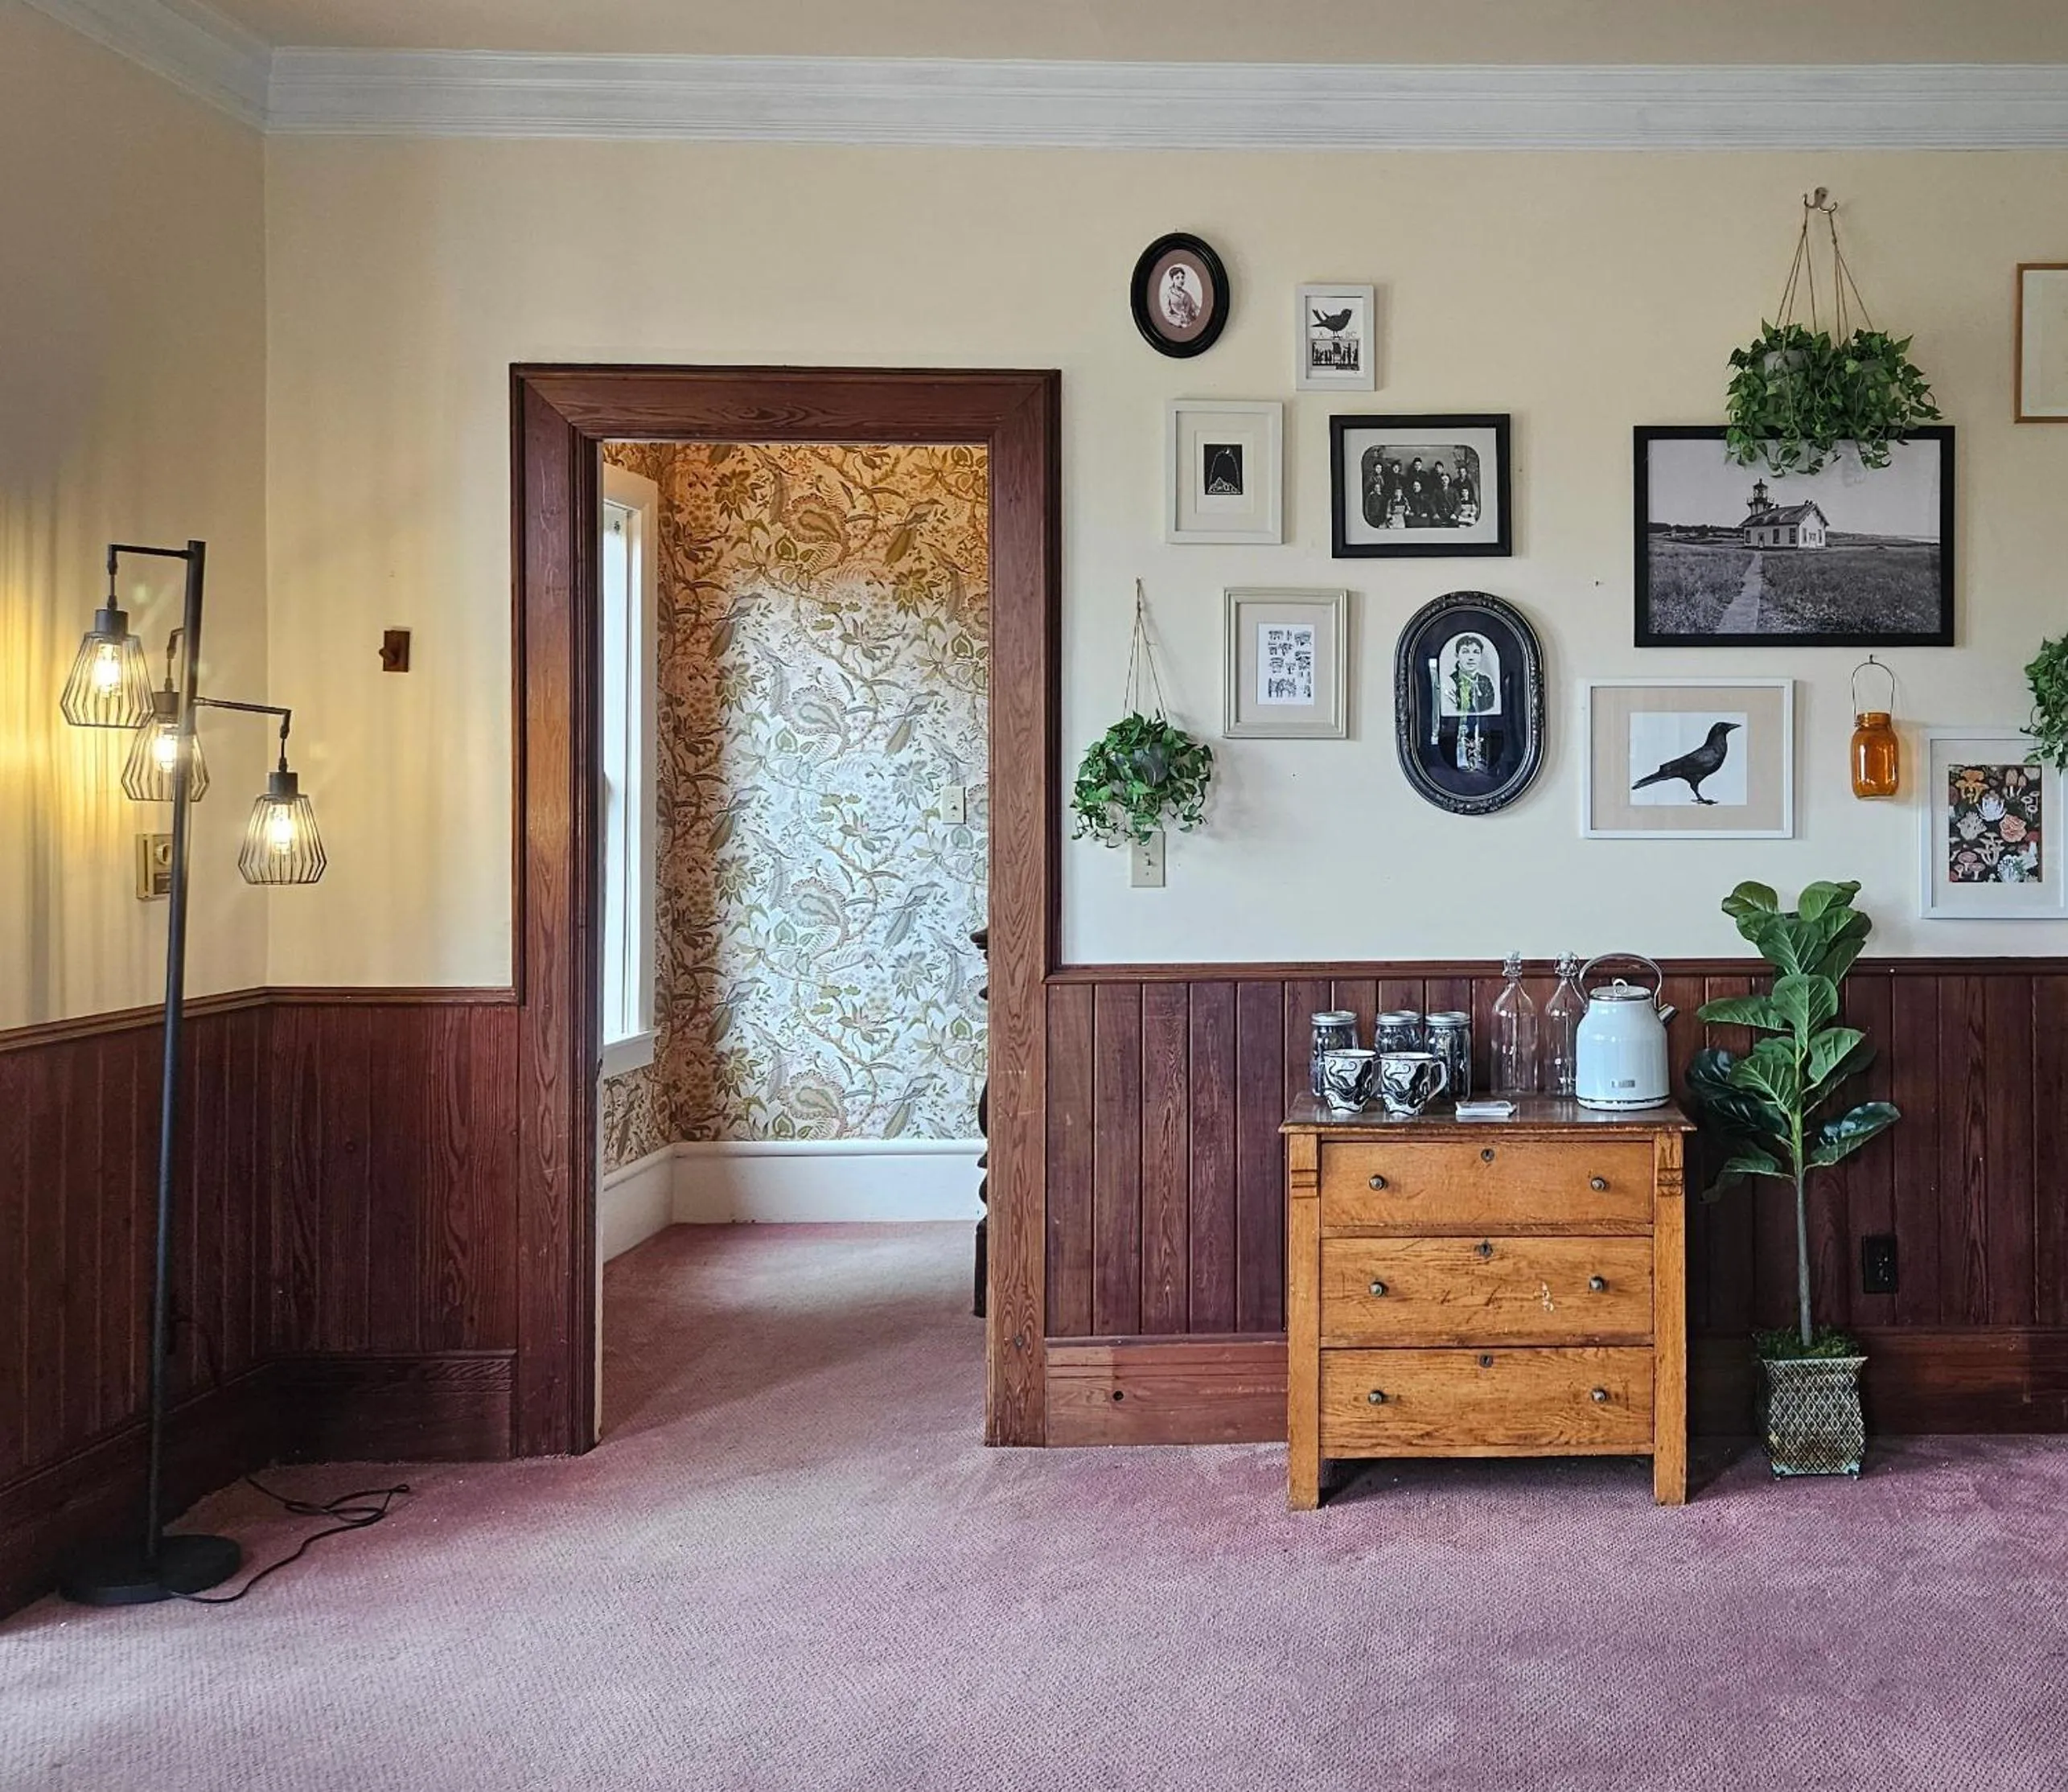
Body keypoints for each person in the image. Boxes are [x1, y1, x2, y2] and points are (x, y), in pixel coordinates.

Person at [1161, 265, 1199, 331]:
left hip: (1189, 324)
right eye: (1177, 278)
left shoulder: (1187, 294)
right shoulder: (1168, 294)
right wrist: (1180, 323)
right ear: (1172, 279)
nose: (1181, 280)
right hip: (1175, 327)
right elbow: (1167, 315)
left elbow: (1195, 309)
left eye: (1182, 277)